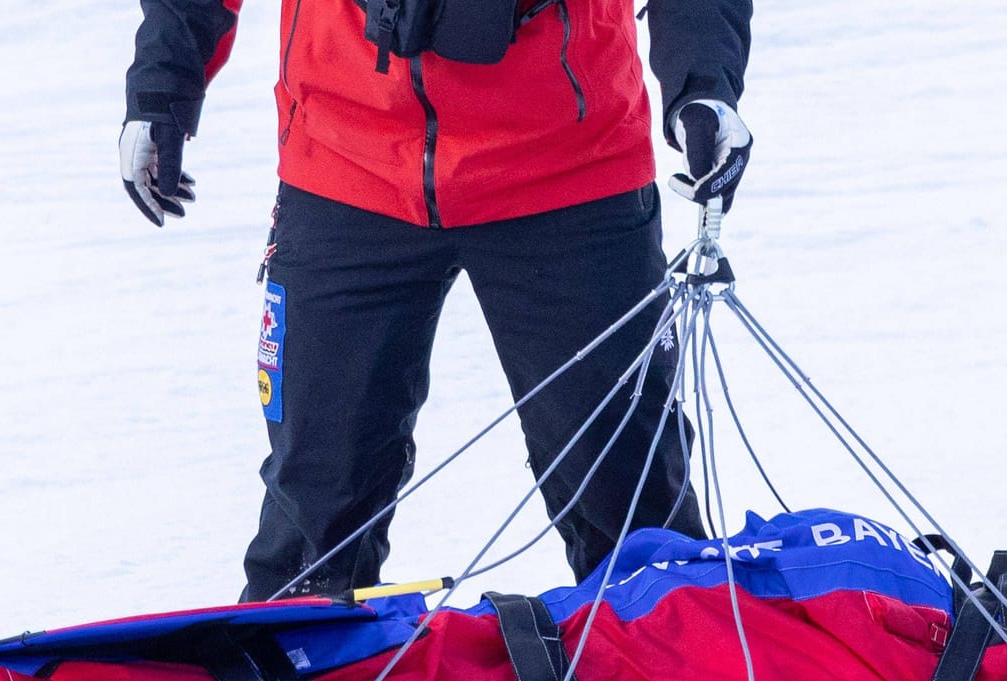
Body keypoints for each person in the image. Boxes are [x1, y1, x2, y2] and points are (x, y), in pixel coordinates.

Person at [120, 0, 756, 600]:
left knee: (626, 493)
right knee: (314, 512)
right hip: (344, 160)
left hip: (566, 166)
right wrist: (161, 87)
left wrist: (704, 83)